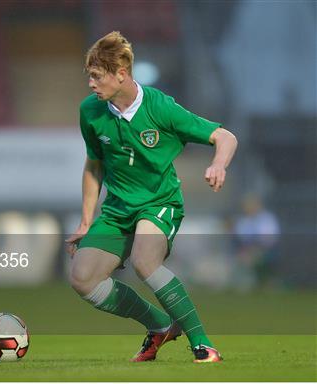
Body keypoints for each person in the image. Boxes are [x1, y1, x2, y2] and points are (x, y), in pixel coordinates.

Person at [66, 32, 237, 363]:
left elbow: (225, 137)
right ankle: (159, 326)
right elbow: (93, 165)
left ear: (122, 73)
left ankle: (202, 344)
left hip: (160, 204)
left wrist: (218, 164)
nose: (90, 83)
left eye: (96, 76)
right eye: (89, 75)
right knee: (82, 278)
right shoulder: (90, 111)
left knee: (145, 262)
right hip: (117, 211)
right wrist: (87, 221)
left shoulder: (161, 108)